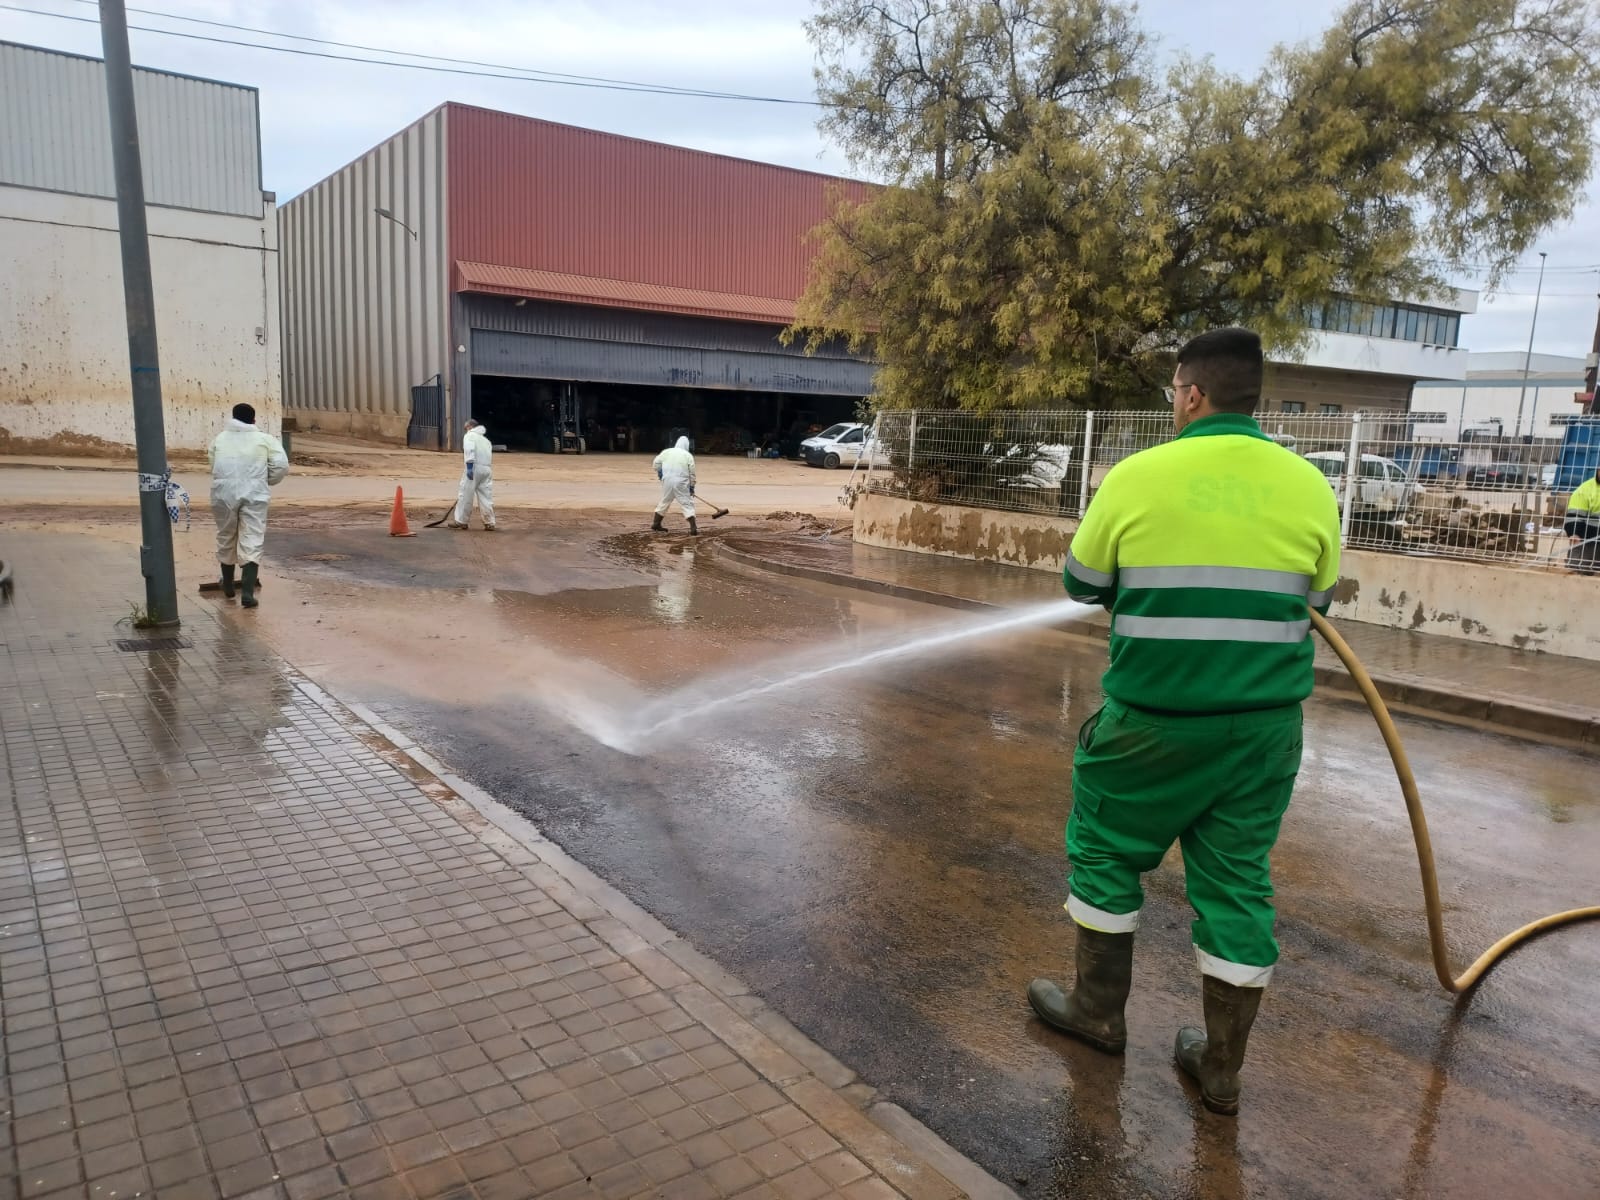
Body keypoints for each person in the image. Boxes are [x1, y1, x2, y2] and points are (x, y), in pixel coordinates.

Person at [1027, 327, 1341, 1116]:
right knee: (1236, 886)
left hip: (1151, 725)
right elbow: (1319, 599)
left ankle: (1097, 1013)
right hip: (1262, 735)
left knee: (1104, 855)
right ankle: (1221, 1067)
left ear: (1192, 394)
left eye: (1175, 390)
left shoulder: (1138, 476)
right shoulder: (1311, 486)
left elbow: (1081, 581)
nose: (1174, 401)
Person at [209, 402, 289, 609]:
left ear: (233, 417)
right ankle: (247, 593)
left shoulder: (219, 439)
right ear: (254, 420)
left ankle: (227, 586)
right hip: (254, 493)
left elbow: (213, 463)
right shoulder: (265, 440)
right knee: (252, 536)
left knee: (226, 534)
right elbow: (281, 465)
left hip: (223, 492)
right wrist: (264, 480)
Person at [447, 418, 495, 531]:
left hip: (474, 468)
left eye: (466, 428)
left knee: (465, 494)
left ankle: (461, 521)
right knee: (486, 497)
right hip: (487, 469)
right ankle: (490, 522)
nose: (465, 430)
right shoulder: (486, 440)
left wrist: (469, 467)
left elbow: (469, 450)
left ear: (469, 427)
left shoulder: (469, 436)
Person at [651, 435, 697, 535]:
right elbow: (692, 473)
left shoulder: (666, 452)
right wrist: (691, 487)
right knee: (686, 503)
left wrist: (660, 472)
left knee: (665, 500)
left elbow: (655, 464)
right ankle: (693, 528)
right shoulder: (688, 455)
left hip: (667, 481)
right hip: (681, 482)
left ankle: (656, 523)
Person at [1562, 467, 1600, 575]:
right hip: (1587, 540)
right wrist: (1574, 532)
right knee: (1580, 570)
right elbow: (1575, 513)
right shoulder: (1586, 489)